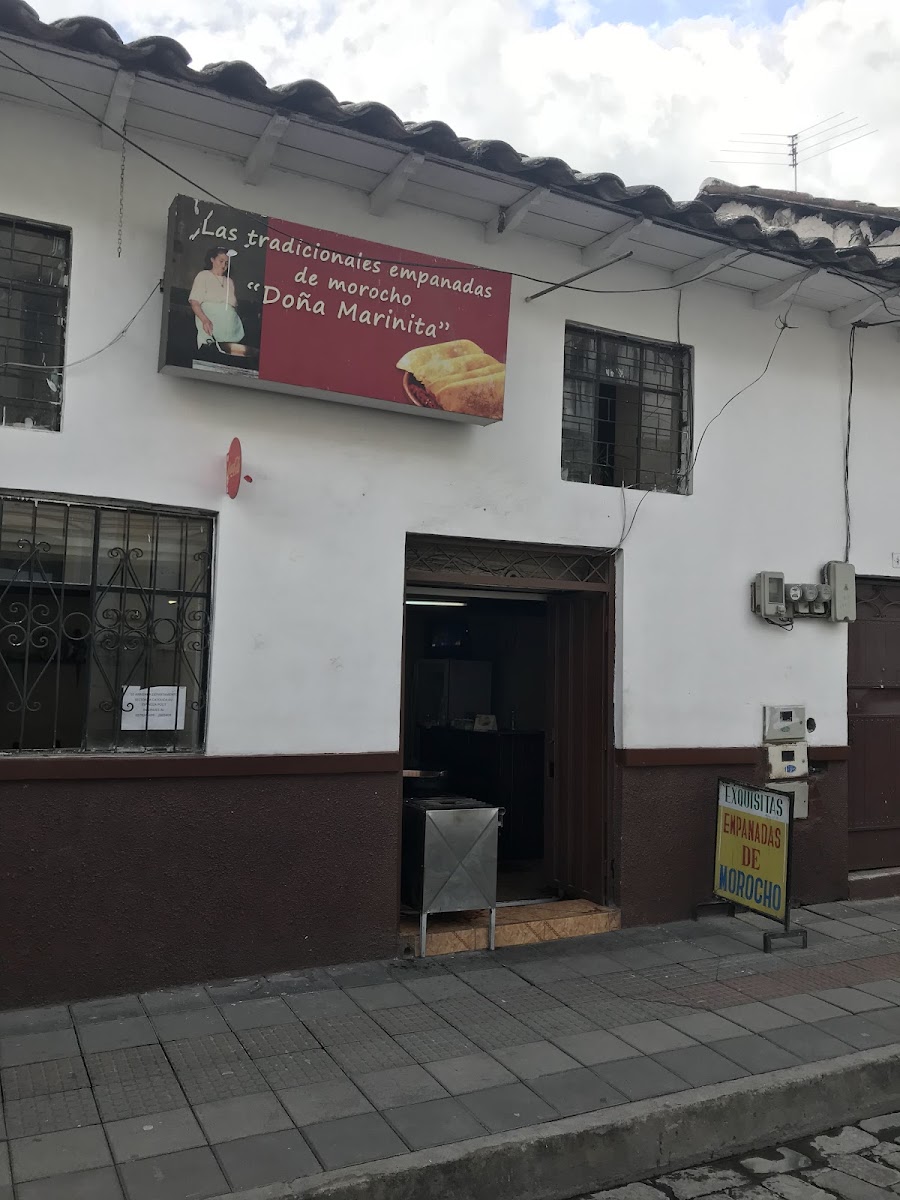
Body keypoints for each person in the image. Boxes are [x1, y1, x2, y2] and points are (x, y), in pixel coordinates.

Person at [188, 247, 245, 349]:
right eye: (221, 261)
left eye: (226, 263)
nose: (224, 265)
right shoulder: (203, 276)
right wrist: (205, 320)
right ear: (212, 260)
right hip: (210, 330)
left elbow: (233, 307)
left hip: (231, 334)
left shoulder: (229, 282)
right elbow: (194, 302)